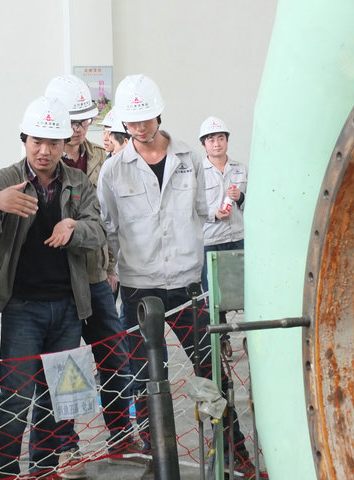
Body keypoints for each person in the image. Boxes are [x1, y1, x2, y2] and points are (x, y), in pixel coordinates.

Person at [97, 74, 252, 480]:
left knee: (212, 370)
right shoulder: (113, 171)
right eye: (131, 121)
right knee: (147, 377)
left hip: (187, 285)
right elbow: (109, 228)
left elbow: (200, 211)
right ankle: (156, 460)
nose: (139, 127)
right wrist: (112, 273)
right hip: (138, 288)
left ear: (159, 113)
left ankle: (235, 452)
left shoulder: (188, 159)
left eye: (145, 118)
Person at [0, 96, 106, 480]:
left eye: (53, 143)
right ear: (24, 139)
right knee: (15, 395)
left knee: (60, 397)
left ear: (63, 144)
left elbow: (97, 232)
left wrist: (74, 228)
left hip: (69, 306)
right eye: (37, 141)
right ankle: (3, 472)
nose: (44, 151)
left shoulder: (76, 182)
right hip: (22, 307)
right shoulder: (2, 181)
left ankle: (45, 469)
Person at [39, 74, 144, 480]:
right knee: (66, 364)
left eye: (84, 120)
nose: (80, 128)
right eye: (72, 121)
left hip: (98, 275)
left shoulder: (105, 159)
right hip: (59, 282)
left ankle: (121, 434)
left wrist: (112, 267)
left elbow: (115, 220)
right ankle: (66, 443)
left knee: (114, 356)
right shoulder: (43, 162)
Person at [199, 116, 248, 359]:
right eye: (211, 140)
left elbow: (253, 202)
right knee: (214, 294)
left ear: (227, 141)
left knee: (245, 290)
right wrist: (214, 214)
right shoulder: (198, 172)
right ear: (204, 144)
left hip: (238, 238)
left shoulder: (240, 169)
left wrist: (240, 198)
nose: (216, 143)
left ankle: (251, 335)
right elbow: (193, 208)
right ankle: (222, 339)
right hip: (211, 241)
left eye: (220, 138)